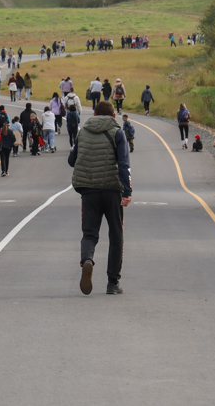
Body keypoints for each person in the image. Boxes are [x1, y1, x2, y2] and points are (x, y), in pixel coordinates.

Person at [68, 101, 132, 296]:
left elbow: (72, 160)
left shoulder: (83, 132)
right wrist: (127, 191)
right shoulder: (118, 133)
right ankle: (113, 283)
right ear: (114, 116)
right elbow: (123, 164)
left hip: (88, 191)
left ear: (94, 114)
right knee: (116, 235)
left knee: (89, 234)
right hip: (112, 191)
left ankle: (87, 260)